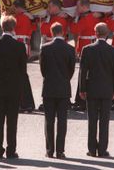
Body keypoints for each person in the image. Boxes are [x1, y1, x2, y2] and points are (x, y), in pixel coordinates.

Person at [0, 15, 27, 159]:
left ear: (1, 27)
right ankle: (11, 150)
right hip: (14, 86)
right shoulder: (19, 45)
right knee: (12, 120)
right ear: (13, 28)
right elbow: (23, 68)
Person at [79, 22, 114, 157]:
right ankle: (102, 149)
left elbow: (83, 71)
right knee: (104, 121)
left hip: (92, 89)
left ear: (95, 33)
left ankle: (91, 149)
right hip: (107, 89)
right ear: (107, 33)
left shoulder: (87, 49)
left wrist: (82, 89)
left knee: (92, 121)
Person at [40, 22, 75, 159]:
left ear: (51, 32)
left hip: (49, 87)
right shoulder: (70, 49)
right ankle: (60, 151)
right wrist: (65, 79)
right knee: (62, 120)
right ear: (63, 32)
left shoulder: (45, 48)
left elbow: (42, 69)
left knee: (49, 121)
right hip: (63, 87)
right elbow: (71, 69)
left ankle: (49, 150)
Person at [70, 0, 101, 111]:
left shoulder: (85, 18)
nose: (76, 9)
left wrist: (75, 18)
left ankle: (81, 101)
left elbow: (74, 30)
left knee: (83, 75)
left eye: (78, 6)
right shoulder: (92, 16)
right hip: (90, 45)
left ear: (84, 6)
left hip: (86, 47)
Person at [12, 0, 36, 112]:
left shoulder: (17, 18)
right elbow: (34, 28)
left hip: (18, 47)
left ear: (17, 7)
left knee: (20, 76)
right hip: (26, 46)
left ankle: (24, 102)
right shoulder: (30, 17)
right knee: (22, 74)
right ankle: (26, 102)